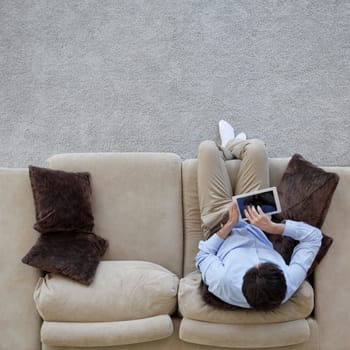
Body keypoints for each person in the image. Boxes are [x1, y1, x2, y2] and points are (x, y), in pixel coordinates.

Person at [196, 120, 322, 311]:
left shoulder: (223, 282)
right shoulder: (287, 281)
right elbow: (313, 238)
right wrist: (273, 228)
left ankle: (225, 147)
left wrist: (229, 225)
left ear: (242, 279)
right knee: (257, 148)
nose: (258, 259)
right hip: (255, 220)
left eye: (253, 265)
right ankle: (232, 144)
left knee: (207, 149)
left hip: (219, 225)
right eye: (266, 261)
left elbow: (203, 254)